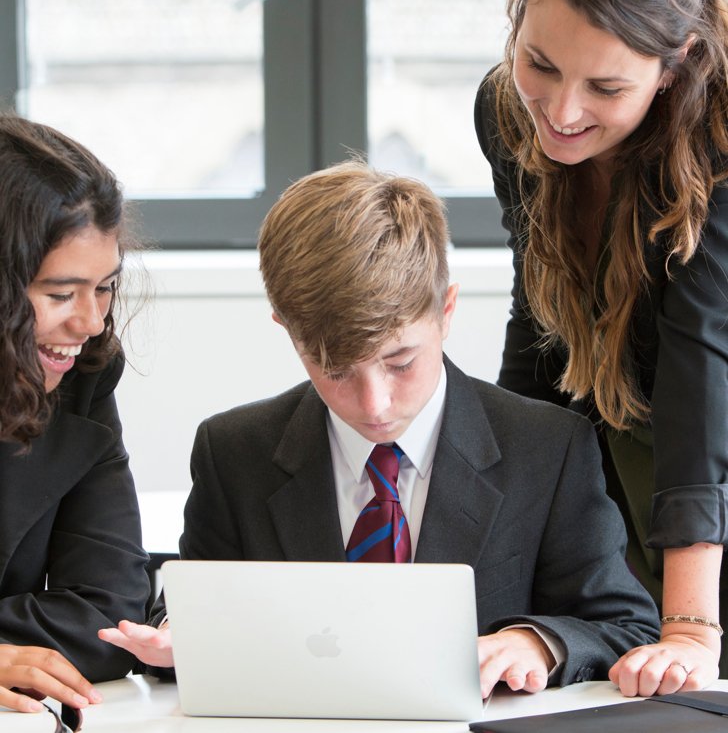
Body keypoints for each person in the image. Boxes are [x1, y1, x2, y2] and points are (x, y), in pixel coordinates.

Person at [100, 160, 659, 696]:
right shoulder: (234, 451)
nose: (375, 405)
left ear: (446, 310)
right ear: (286, 328)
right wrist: (182, 633)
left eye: (400, 362)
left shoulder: (547, 448)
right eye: (337, 370)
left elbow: (625, 627)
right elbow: (191, 605)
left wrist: (538, 643)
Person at [474, 0, 728, 698]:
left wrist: (690, 627)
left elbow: (702, 363)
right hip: (625, 433)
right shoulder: (506, 114)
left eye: (607, 89)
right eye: (540, 63)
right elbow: (537, 323)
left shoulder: (719, 138)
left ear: (676, 61)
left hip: (708, 448)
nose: (563, 110)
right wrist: (489, 534)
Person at [0, 115, 150, 714]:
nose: (89, 324)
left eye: (105, 287)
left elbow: (108, 619)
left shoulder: (83, 382)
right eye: (60, 295)